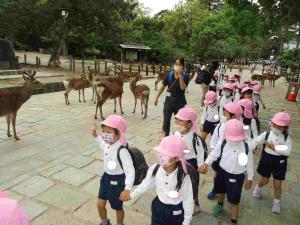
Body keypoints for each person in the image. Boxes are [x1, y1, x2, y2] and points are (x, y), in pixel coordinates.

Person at [121, 136, 194, 225]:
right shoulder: (155, 168)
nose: (160, 156)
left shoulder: (183, 176)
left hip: (176, 211)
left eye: (166, 154)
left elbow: (188, 198)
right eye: (160, 152)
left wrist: (186, 221)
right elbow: (146, 184)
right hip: (158, 206)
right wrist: (132, 195)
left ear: (177, 158)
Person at [200, 119, 255, 225]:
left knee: (234, 200)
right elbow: (214, 153)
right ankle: (220, 203)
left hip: (237, 176)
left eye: (236, 138)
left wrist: (250, 178)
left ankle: (234, 221)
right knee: (221, 190)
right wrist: (206, 163)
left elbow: (250, 163)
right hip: (222, 172)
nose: (233, 141)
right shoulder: (223, 142)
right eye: (231, 138)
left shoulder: (246, 146)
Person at [91, 115, 135, 225]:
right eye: (103, 131)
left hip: (118, 181)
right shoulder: (107, 144)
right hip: (106, 178)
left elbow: (130, 171)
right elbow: (102, 144)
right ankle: (105, 222)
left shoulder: (122, 151)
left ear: (118, 133)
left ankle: (120, 223)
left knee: (117, 207)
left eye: (109, 132)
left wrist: (127, 188)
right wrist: (95, 135)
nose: (105, 135)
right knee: (100, 204)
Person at [252, 112, 292, 214]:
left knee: (277, 184)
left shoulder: (287, 138)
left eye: (279, 126)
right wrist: (253, 146)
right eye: (275, 125)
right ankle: (258, 188)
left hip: (280, 161)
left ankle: (276, 202)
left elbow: (287, 151)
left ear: (285, 127)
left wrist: (274, 148)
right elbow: (256, 140)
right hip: (267, 158)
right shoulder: (267, 134)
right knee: (264, 180)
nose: (276, 127)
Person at [207, 102, 243, 200]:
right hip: (218, 155)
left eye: (226, 112)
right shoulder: (220, 125)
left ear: (233, 115)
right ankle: (216, 189)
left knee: (229, 177)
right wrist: (213, 148)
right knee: (217, 175)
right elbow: (214, 138)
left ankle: (227, 191)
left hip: (230, 158)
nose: (223, 113)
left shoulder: (240, 127)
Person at [174, 107, 205, 214]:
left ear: (189, 124)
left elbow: (200, 153)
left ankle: (195, 203)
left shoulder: (195, 138)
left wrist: (201, 165)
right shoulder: (175, 133)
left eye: (180, 120)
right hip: (178, 163)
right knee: (179, 183)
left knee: (193, 185)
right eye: (176, 119)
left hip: (191, 165)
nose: (177, 122)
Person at [154, 58, 189, 137]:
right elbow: (163, 87)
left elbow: (182, 88)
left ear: (182, 66)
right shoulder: (169, 74)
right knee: (166, 121)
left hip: (179, 103)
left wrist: (180, 76)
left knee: (180, 122)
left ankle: (180, 138)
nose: (177, 66)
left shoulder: (185, 76)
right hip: (168, 102)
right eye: (176, 64)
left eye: (179, 64)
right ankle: (165, 138)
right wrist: (156, 98)